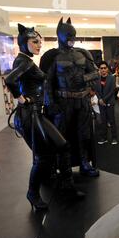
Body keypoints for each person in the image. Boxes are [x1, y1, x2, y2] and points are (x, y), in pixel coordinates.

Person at [5, 24, 67, 211]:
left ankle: (50, 178)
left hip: (36, 114)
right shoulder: (24, 61)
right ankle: (32, 193)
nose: (39, 45)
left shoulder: (27, 61)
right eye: (35, 42)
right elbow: (10, 80)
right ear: (25, 43)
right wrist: (22, 99)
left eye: (40, 42)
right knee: (42, 157)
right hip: (29, 116)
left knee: (61, 144)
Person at [41, 17, 100, 197]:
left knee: (83, 135)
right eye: (69, 35)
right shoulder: (52, 57)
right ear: (60, 35)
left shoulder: (82, 53)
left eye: (73, 35)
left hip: (82, 101)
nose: (72, 39)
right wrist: (50, 103)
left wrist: (84, 79)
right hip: (63, 101)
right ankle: (64, 172)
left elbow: (96, 73)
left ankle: (84, 163)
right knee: (62, 138)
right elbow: (46, 82)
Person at [96, 61, 118, 145]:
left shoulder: (112, 78)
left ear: (107, 69)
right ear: (99, 69)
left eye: (105, 68)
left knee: (112, 121)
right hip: (101, 103)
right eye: (101, 68)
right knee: (103, 121)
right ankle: (104, 138)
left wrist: (103, 100)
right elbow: (96, 91)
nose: (103, 70)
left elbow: (112, 91)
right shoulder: (97, 79)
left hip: (109, 103)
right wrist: (99, 99)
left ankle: (114, 138)